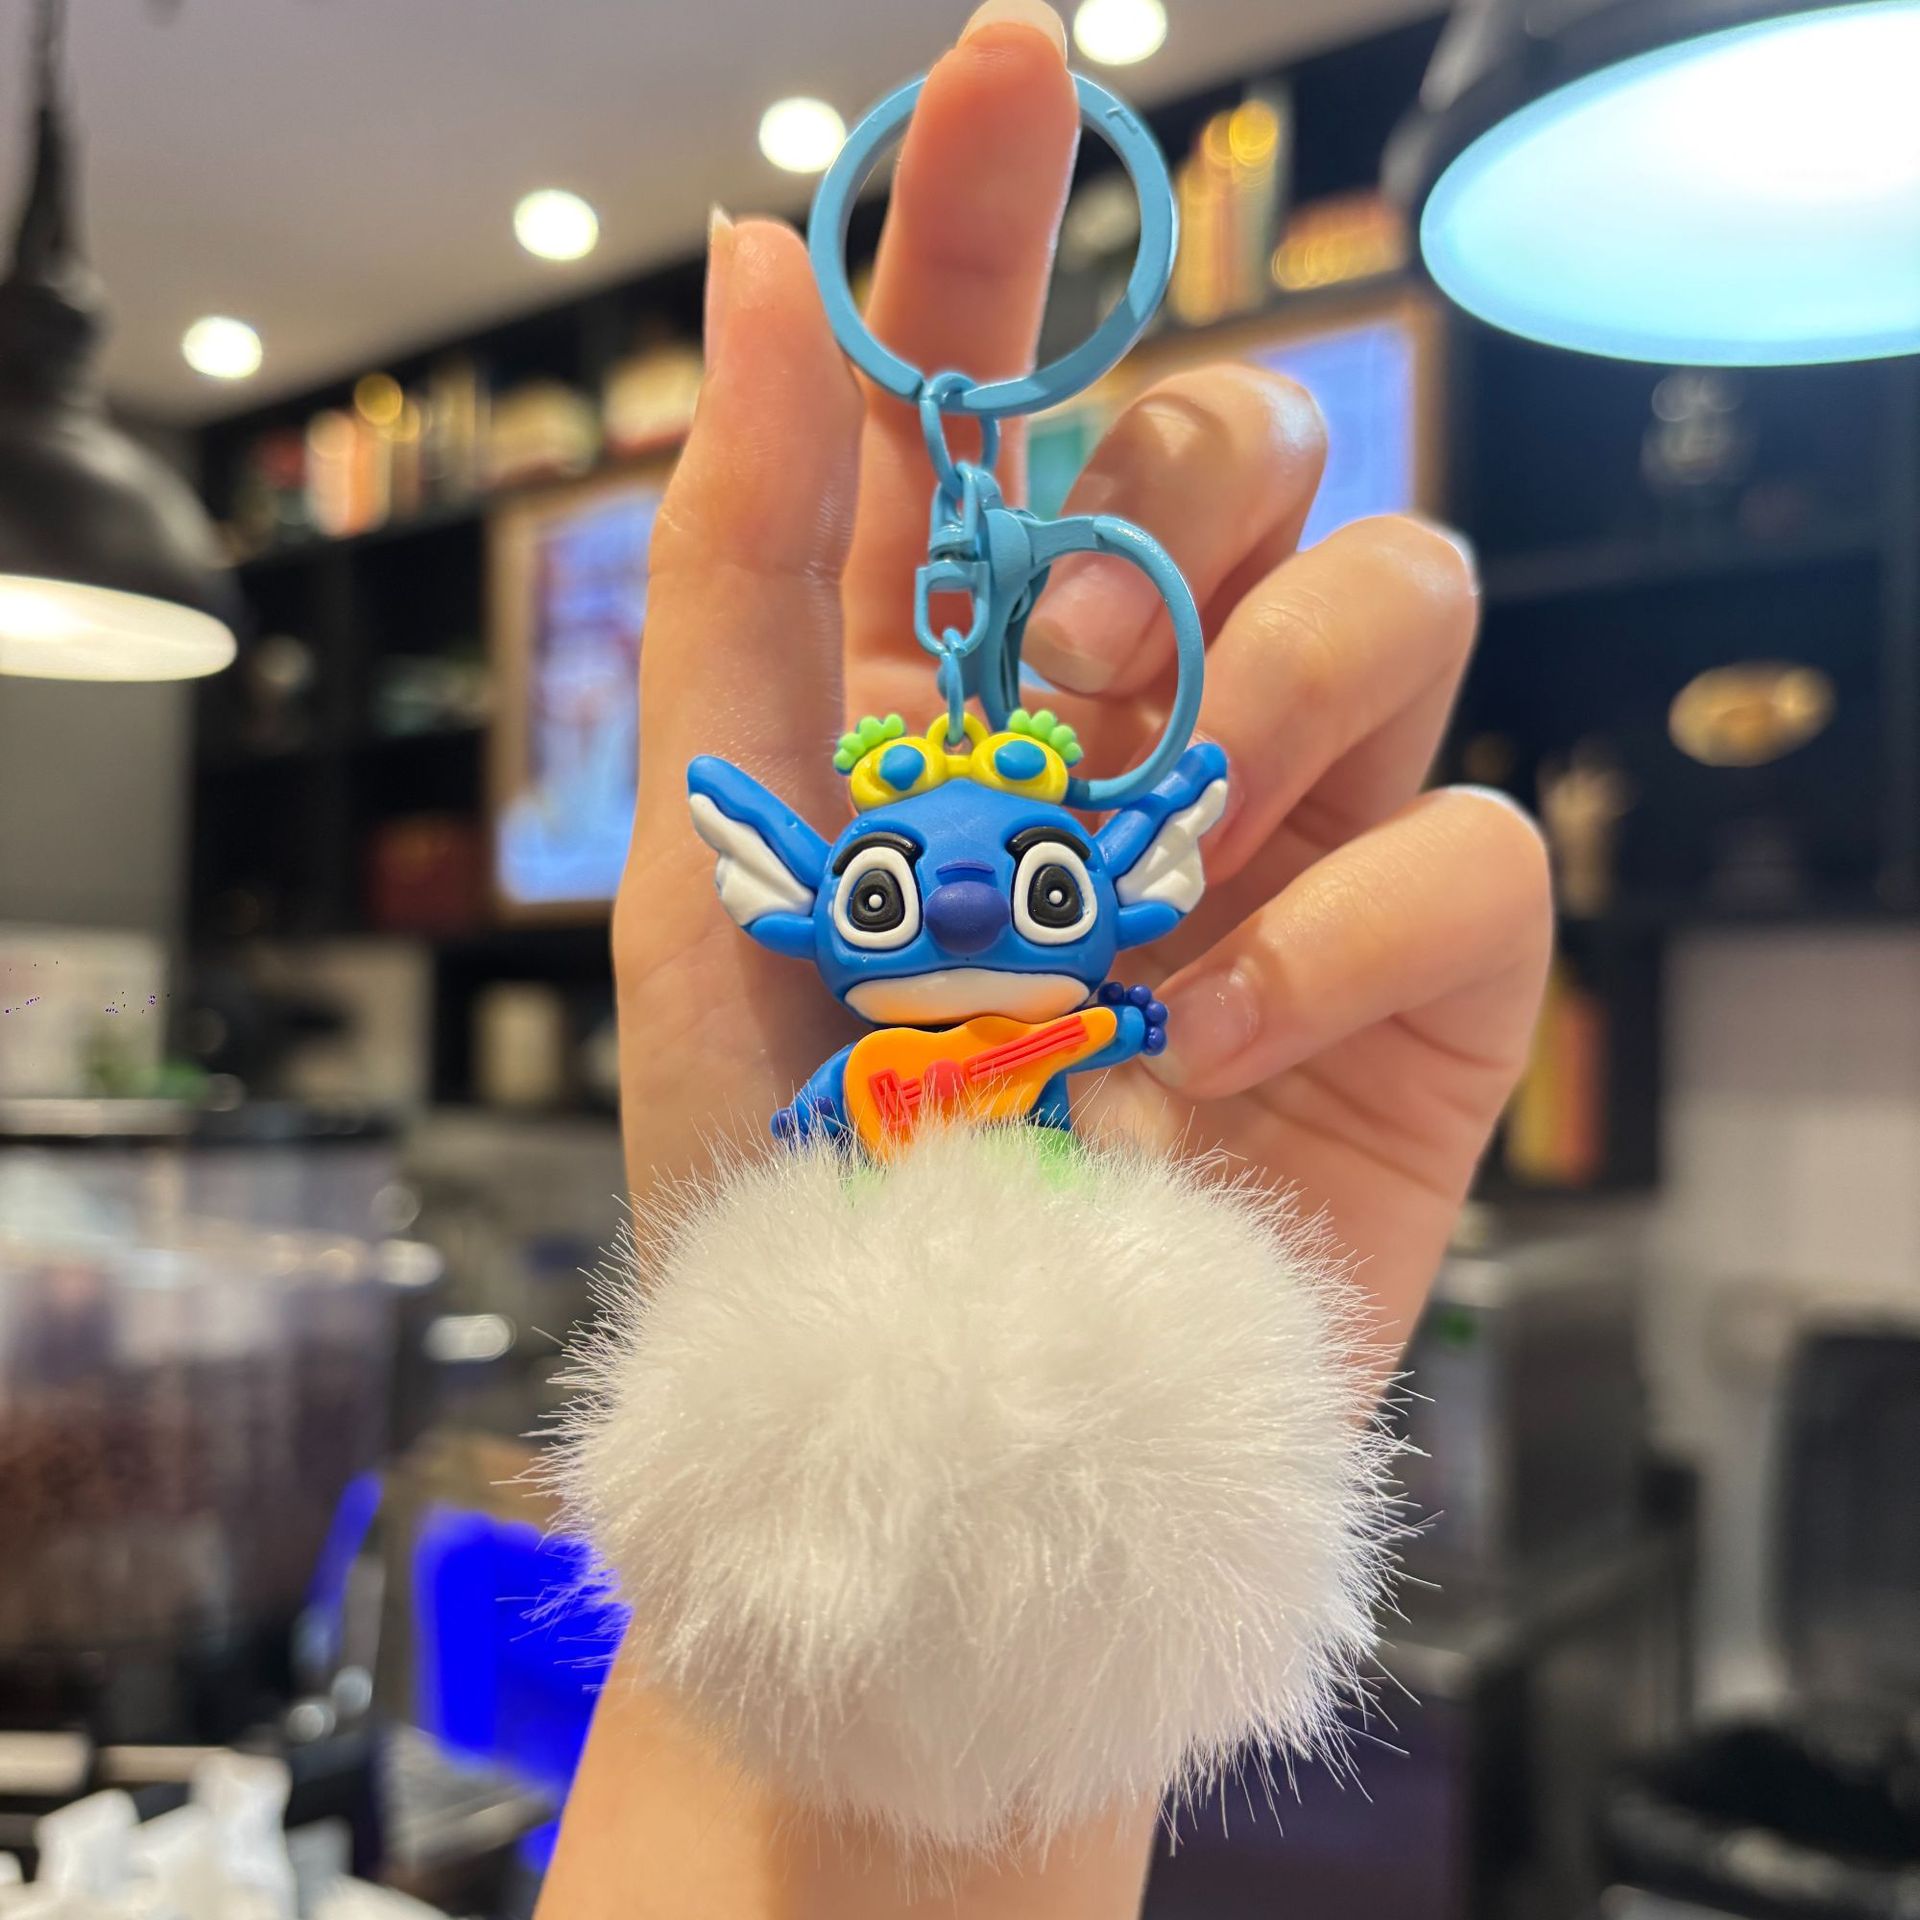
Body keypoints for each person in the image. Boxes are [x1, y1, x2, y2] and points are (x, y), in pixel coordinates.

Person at [537, 2, 1552, 1912]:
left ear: (1124, 876)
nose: (966, 920)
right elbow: (826, 1129)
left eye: (1036, 897)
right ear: (801, 901)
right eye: (888, 904)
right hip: (893, 1306)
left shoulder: (1084, 1078)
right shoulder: (865, 1092)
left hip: (1060, 1285)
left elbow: (1095, 1044)